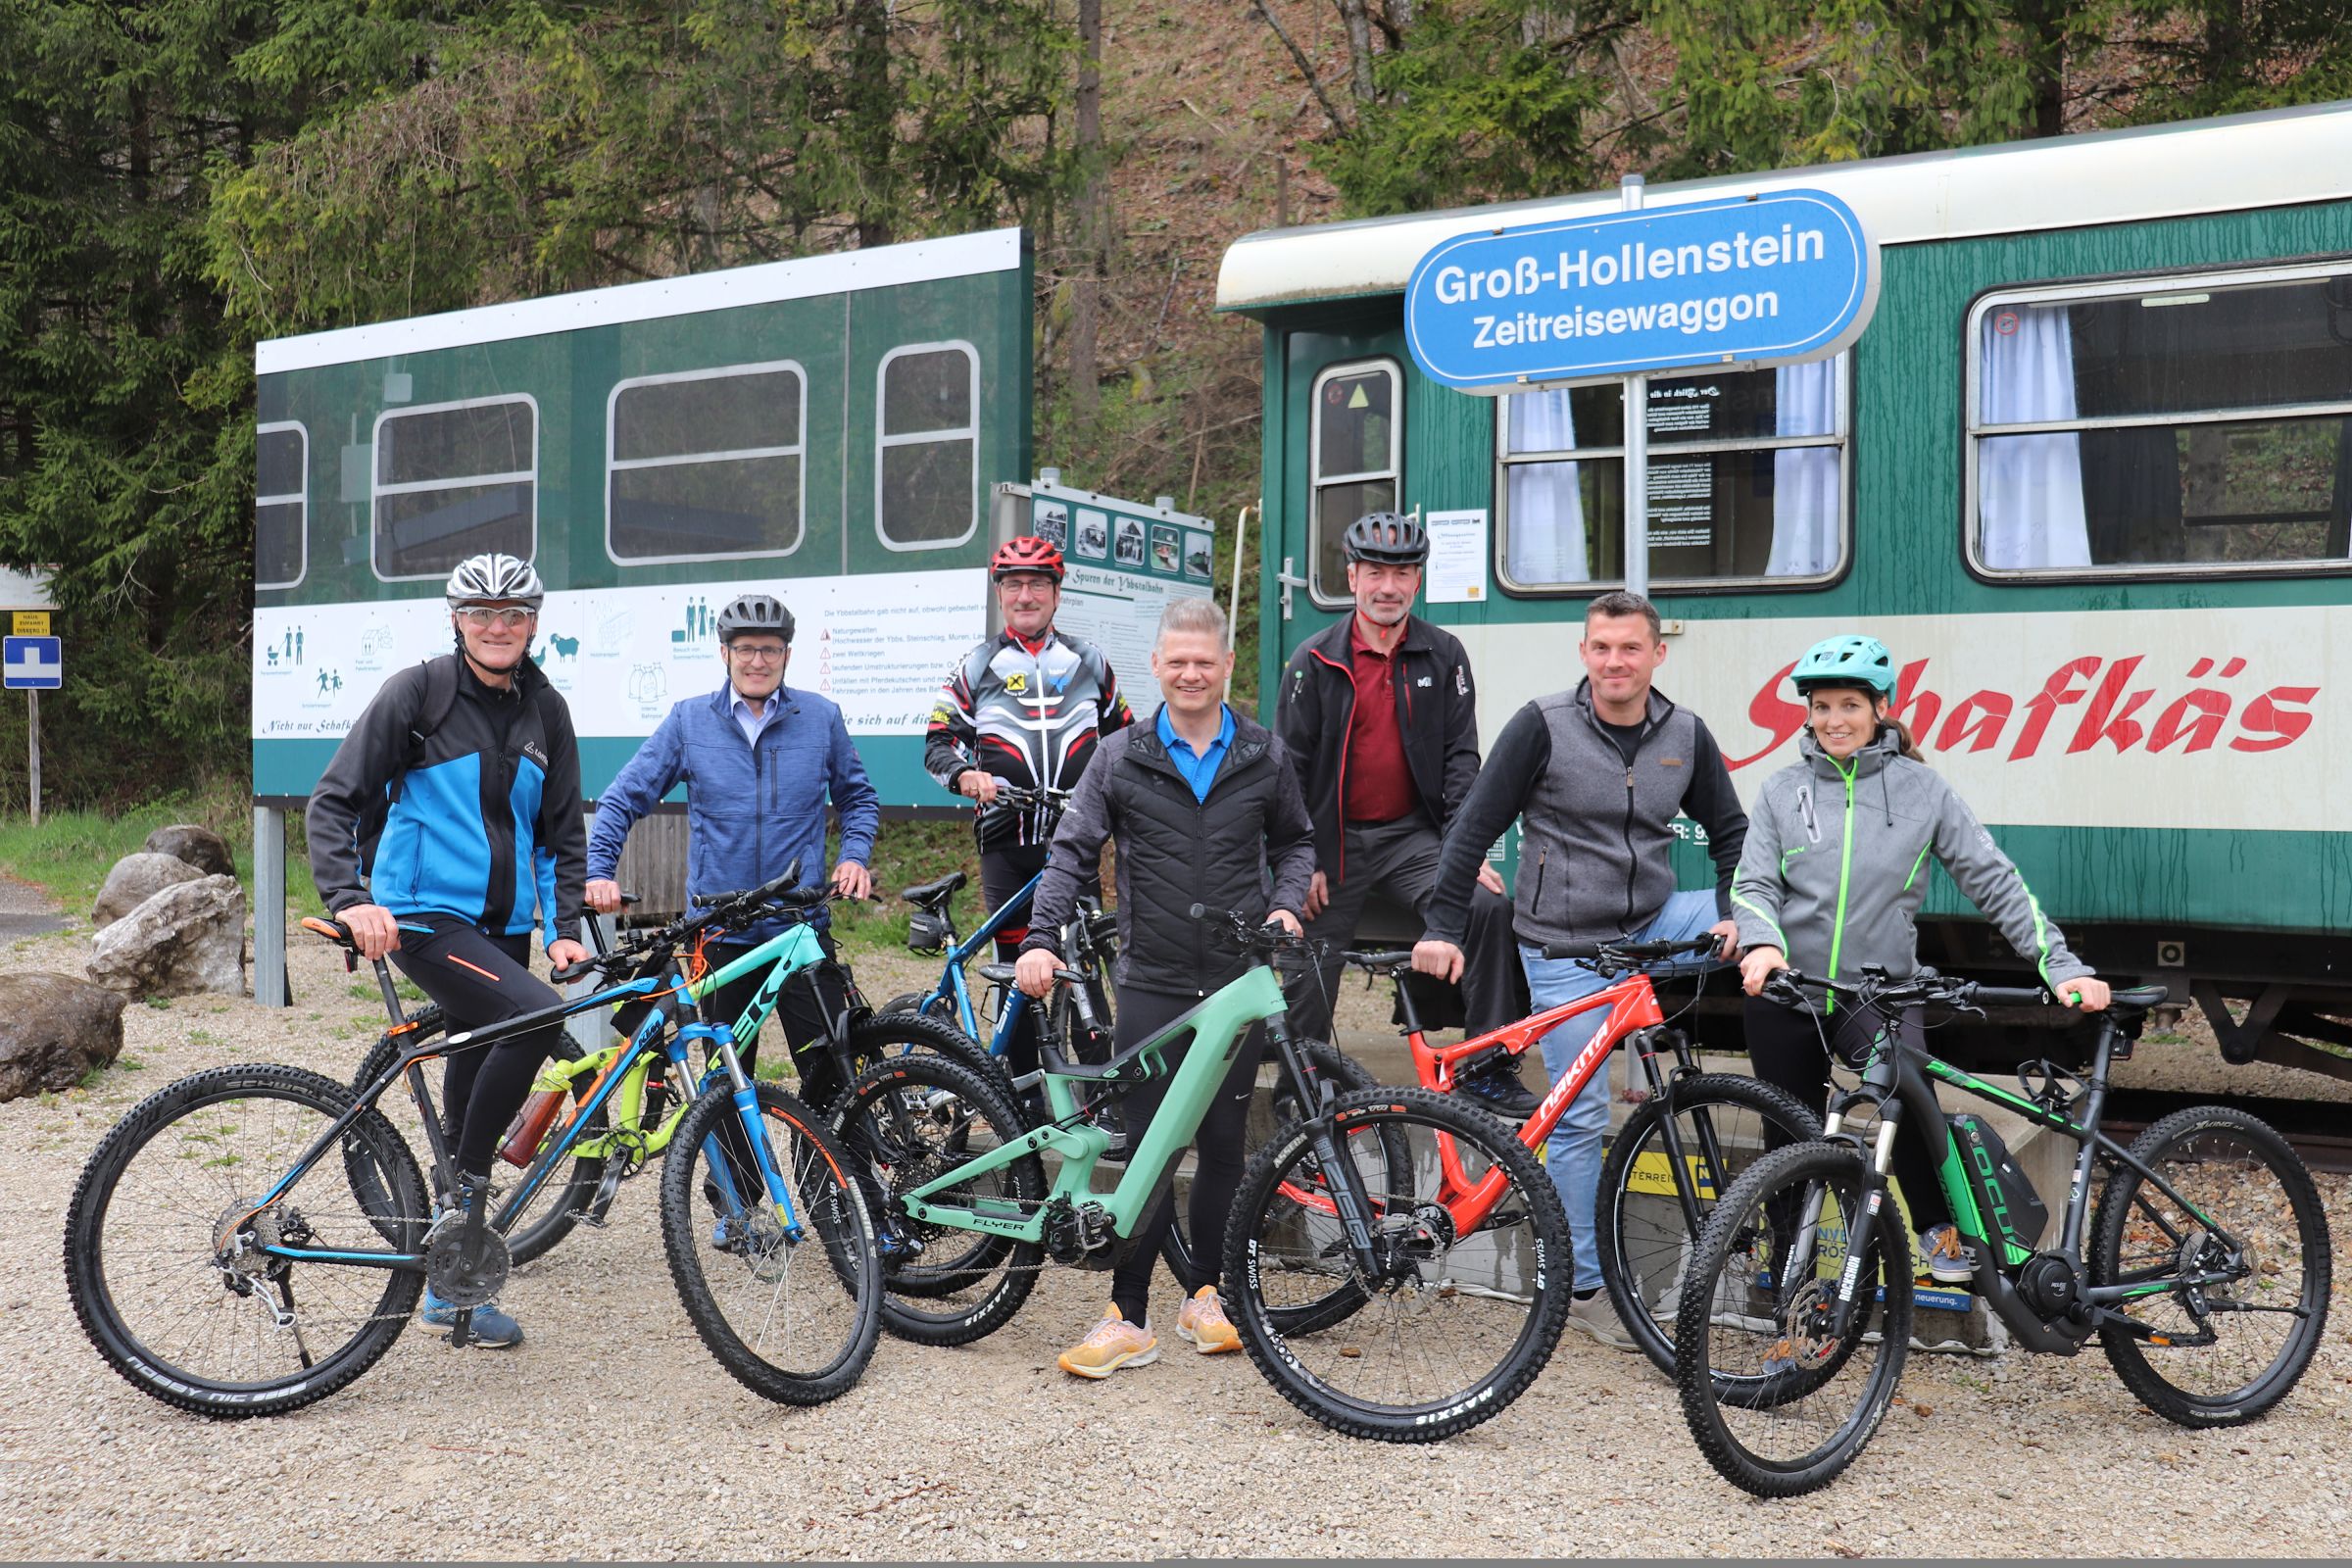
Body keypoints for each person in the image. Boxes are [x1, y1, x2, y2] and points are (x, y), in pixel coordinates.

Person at [1414, 590, 1747, 1351]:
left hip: (1654, 926)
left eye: (1630, 648)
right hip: (1564, 945)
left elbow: (1734, 836)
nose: (1615, 663)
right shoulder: (1544, 724)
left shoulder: (1684, 735)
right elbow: (1473, 830)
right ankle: (1584, 1288)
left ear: (1658, 655)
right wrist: (1441, 925)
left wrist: (1738, 915)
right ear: (1583, 652)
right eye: (1601, 647)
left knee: (1777, 923)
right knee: (1579, 1119)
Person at [1729, 633, 2112, 1284]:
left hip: (1878, 993)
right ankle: (1788, 1265)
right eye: (1821, 707)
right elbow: (1753, 883)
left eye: (1848, 705)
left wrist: (2063, 965)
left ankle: (1937, 1232)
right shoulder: (1781, 791)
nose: (1833, 720)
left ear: (1880, 708)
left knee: (1910, 1112)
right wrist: (1763, 941)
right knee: (1787, 1134)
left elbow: (1994, 880)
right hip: (1790, 992)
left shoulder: (1922, 792)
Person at [1014, 597, 1314, 1379]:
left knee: (1221, 1144)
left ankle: (1206, 1297)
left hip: (1235, 980)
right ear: (1156, 666)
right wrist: (1041, 939)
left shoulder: (1263, 754)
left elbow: (1296, 843)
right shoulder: (1119, 756)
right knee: (1150, 1150)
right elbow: (1073, 853)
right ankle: (1128, 1314)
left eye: (1203, 662)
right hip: (1151, 979)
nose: (1189, 674)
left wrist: (1286, 905)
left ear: (1224, 669)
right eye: (1176, 661)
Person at [307, 552, 589, 1348]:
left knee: (470, 1098)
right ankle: (467, 1191)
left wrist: (565, 927)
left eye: (514, 614)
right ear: (457, 621)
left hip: (506, 928)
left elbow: (563, 830)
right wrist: (352, 898)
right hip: (424, 917)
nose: (498, 627)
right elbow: (334, 801)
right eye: (481, 614)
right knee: (536, 1017)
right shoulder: (419, 693)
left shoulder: (547, 709)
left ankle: (451, 1280)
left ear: (533, 624)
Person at [1276, 511, 1533, 1115]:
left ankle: (1488, 1069)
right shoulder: (1313, 660)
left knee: (1488, 909)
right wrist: (1300, 859)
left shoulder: (1444, 655)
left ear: (1417, 582)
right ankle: (1298, 1096)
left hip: (1409, 840)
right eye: (1375, 571)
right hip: (1329, 846)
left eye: (1402, 572)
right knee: (1307, 958)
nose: (1388, 585)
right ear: (1352, 576)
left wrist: (1462, 854)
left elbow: (1460, 764)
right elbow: (1284, 771)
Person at [585, 592, 879, 1114]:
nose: (757, 661)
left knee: (832, 1075)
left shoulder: (821, 718)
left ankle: (834, 1194)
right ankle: (736, 1195)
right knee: (726, 1078)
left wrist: (854, 855)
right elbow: (624, 797)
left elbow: (858, 797)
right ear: (725, 653)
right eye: (745, 648)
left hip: (800, 923)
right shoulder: (689, 721)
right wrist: (599, 870)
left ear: (787, 654)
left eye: (770, 649)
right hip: (721, 929)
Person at [925, 535, 1133, 1071]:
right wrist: (966, 774)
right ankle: (1023, 1096)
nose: (1025, 595)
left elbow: (1127, 740)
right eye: (1013, 584)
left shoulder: (1090, 662)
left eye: (1037, 584)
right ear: (1000, 595)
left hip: (1076, 839)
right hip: (1006, 841)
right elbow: (937, 741)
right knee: (1018, 969)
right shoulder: (977, 665)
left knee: (1084, 961)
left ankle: (1099, 1090)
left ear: (1056, 594)